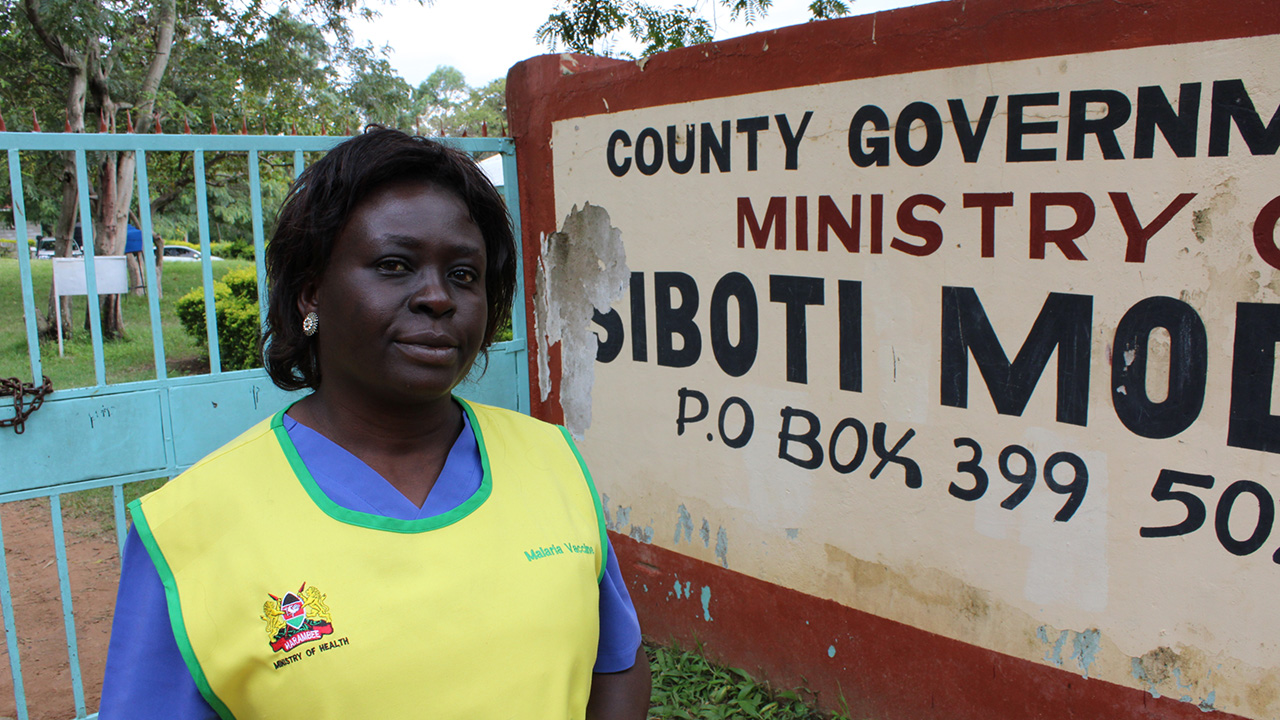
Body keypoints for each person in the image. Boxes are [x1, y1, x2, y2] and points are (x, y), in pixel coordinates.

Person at [100, 127, 651, 719]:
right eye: (394, 265)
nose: (437, 297)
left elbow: (616, 658)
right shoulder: (187, 529)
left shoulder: (553, 459)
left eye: (464, 274)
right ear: (311, 293)